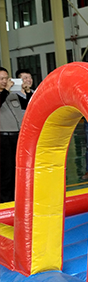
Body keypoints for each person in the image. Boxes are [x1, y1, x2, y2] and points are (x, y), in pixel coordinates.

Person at [0, 67, 25, 203]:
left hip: (17, 137)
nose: (5, 81)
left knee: (17, 170)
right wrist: (6, 91)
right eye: (2, 79)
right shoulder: (5, 94)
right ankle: (5, 202)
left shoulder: (13, 94)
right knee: (6, 173)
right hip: (3, 138)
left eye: (7, 78)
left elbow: (27, 104)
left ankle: (16, 200)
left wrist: (26, 91)